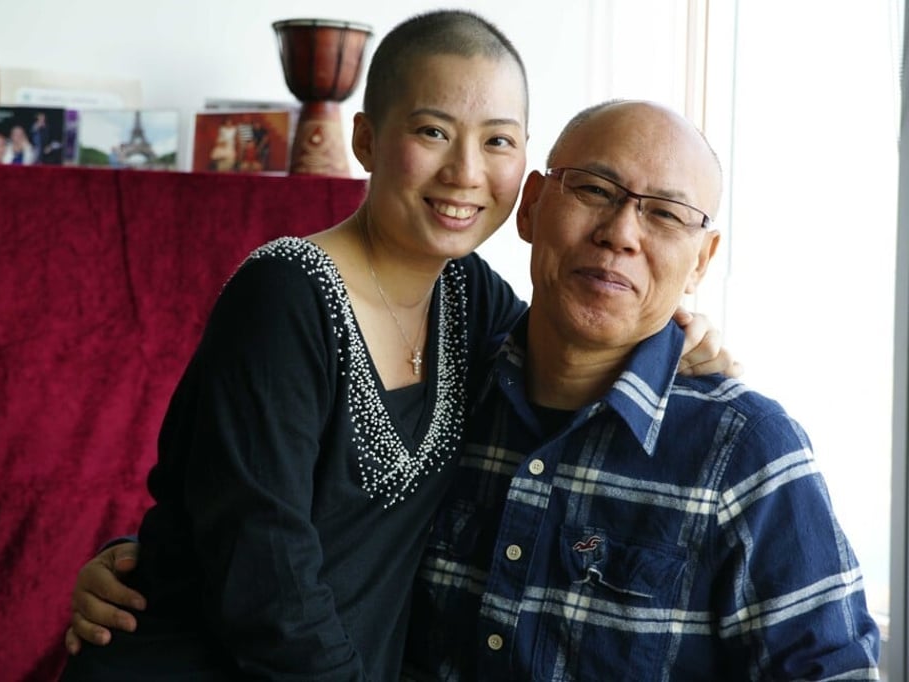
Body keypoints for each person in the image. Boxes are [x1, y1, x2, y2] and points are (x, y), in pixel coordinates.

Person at [59, 12, 737, 681]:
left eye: (498, 141)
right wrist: (141, 553)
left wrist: (678, 330)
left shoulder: (469, 298)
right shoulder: (282, 298)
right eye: (432, 131)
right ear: (366, 139)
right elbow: (265, 579)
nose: (465, 172)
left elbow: (575, 333)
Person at [400, 100, 880, 679]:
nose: (620, 234)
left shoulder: (750, 454)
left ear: (701, 260)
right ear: (530, 207)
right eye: (595, 190)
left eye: (666, 214)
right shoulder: (439, 395)